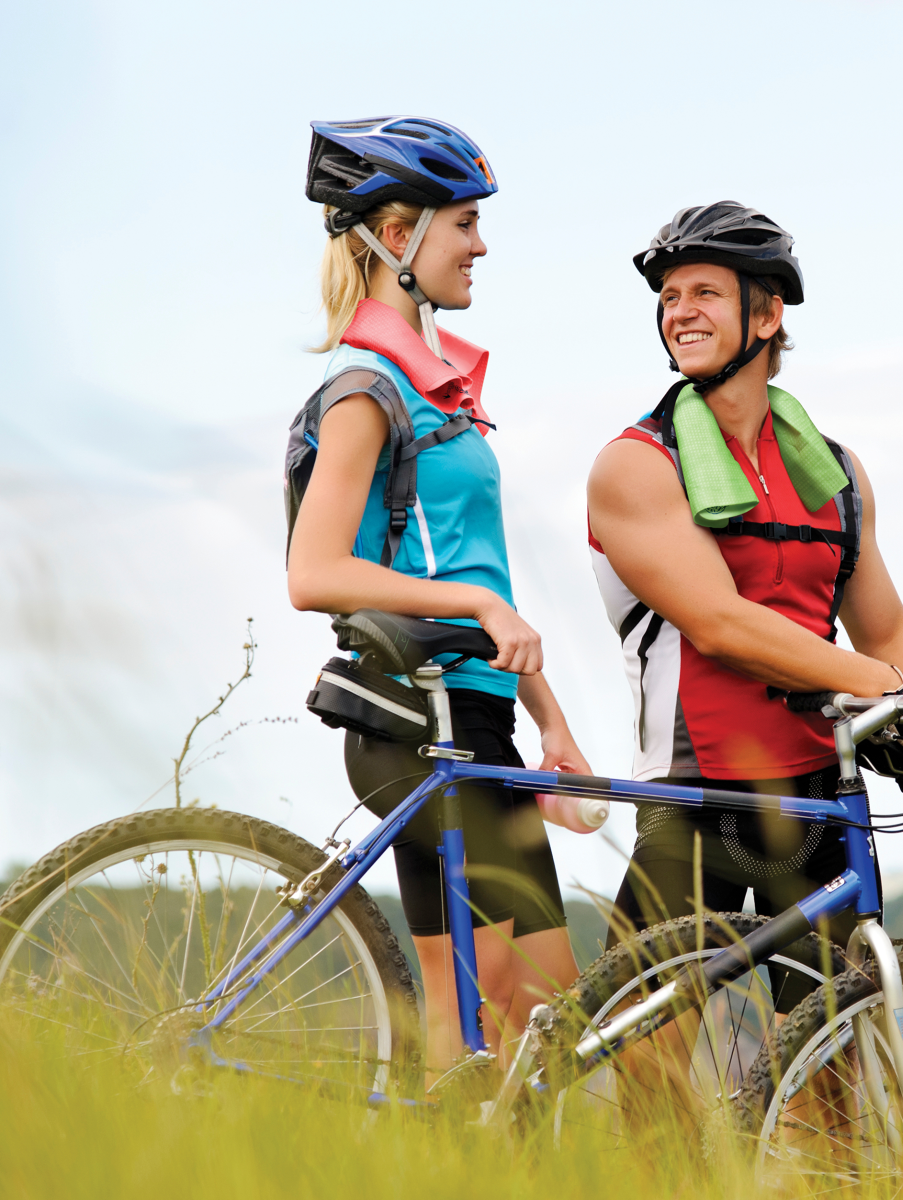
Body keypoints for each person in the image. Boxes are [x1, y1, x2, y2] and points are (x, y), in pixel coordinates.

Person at [586, 202, 903, 951]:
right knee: (645, 1062)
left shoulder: (837, 475)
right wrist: (893, 690)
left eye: (704, 293)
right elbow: (722, 627)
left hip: (826, 797)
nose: (679, 313)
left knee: (836, 1052)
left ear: (767, 315)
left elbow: (884, 629)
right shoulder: (637, 464)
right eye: (668, 297)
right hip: (696, 796)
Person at [287, 116, 589, 1083]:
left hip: (474, 716)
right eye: (464, 222)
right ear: (397, 234)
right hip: (424, 718)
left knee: (475, 1048)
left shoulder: (438, 386)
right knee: (542, 1015)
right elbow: (314, 570)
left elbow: (485, 587)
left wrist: (554, 728)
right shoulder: (368, 387)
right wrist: (480, 607)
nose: (481, 243)